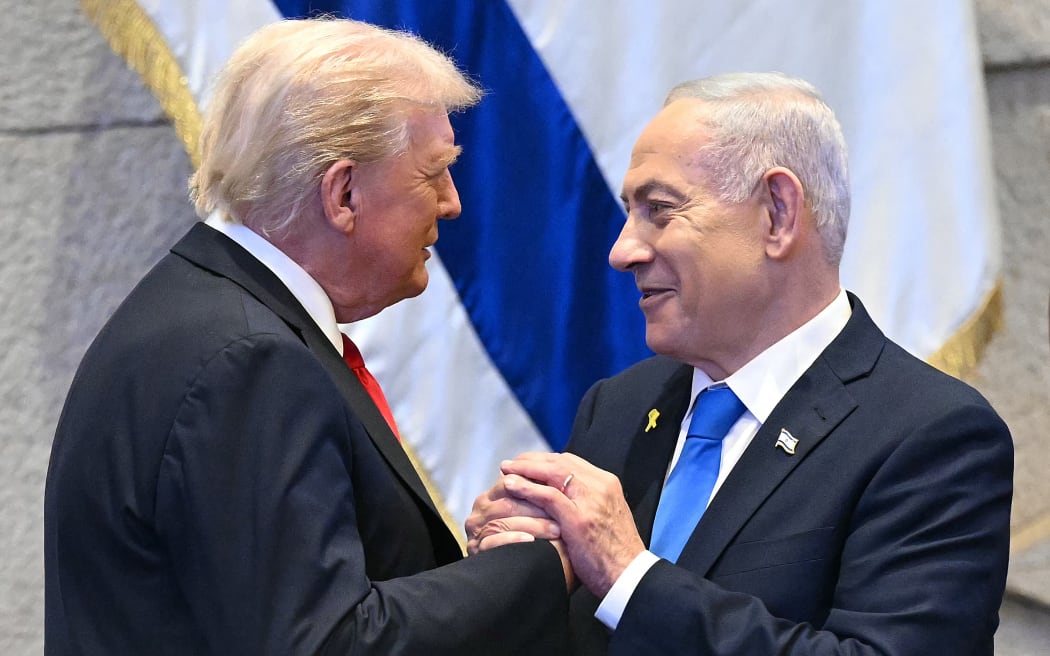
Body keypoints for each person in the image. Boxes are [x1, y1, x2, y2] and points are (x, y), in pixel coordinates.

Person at [44, 18, 571, 655]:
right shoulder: (247, 362)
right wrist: (542, 567)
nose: (451, 202)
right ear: (343, 193)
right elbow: (325, 643)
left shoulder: (199, 314)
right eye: (433, 174)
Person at [467, 72, 1013, 655]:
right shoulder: (618, 408)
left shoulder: (932, 434)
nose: (622, 250)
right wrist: (517, 581)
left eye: (660, 209)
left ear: (778, 214)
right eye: (630, 212)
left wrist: (628, 577)